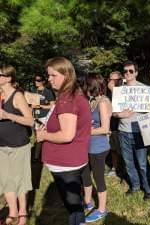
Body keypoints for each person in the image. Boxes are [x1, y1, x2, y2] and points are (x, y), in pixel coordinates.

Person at [36, 57, 91, 225]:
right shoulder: (73, 94)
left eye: (53, 75)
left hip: (65, 163)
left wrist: (44, 136)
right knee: (75, 205)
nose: (49, 79)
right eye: (48, 75)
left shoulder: (67, 99)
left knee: (74, 208)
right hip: (71, 161)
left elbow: (67, 135)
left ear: (66, 74)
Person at [113, 61, 150, 199]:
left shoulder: (144, 89)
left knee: (142, 163)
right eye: (125, 71)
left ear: (136, 73)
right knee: (128, 162)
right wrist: (120, 115)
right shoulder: (119, 90)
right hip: (123, 131)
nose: (127, 73)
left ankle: (148, 190)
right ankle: (135, 186)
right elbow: (113, 113)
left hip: (139, 131)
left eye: (130, 71)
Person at [0, 65, 34, 225]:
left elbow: (30, 120)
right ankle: (12, 212)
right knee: (6, 180)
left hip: (18, 145)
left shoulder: (17, 96)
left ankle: (22, 213)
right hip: (2, 145)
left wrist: (7, 115)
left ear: (8, 78)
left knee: (20, 180)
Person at [81, 74, 111, 223]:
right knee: (85, 175)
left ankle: (102, 209)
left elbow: (105, 128)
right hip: (87, 146)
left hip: (98, 147)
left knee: (98, 178)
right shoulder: (92, 101)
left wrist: (83, 131)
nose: (83, 88)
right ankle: (88, 201)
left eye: (86, 85)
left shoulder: (103, 102)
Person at [106, 71, 124, 177]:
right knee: (113, 148)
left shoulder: (122, 91)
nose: (111, 82)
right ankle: (115, 167)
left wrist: (113, 90)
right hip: (111, 124)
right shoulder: (107, 91)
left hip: (120, 125)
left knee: (121, 149)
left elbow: (120, 104)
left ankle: (123, 168)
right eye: (110, 79)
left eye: (114, 80)